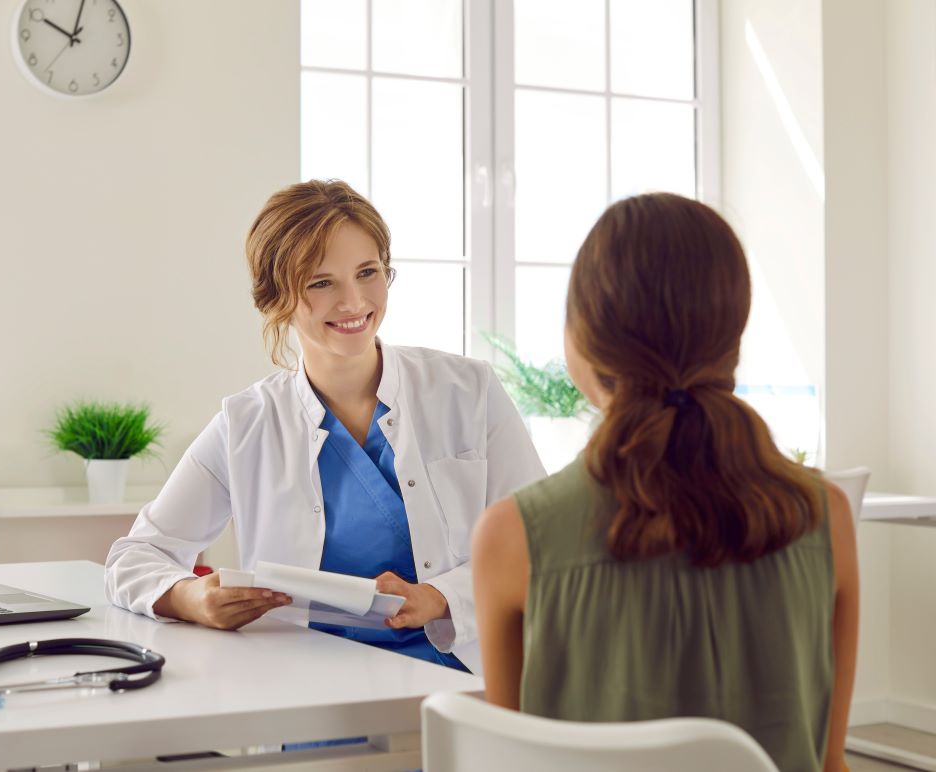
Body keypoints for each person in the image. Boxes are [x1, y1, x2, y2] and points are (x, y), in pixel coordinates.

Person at [472, 193, 858, 772]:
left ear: (581, 337)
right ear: (733, 336)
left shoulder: (511, 536)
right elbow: (830, 763)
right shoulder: (827, 516)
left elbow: (508, 764)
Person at [105, 179, 544, 673]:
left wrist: (442, 597)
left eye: (367, 272)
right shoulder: (246, 423)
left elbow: (544, 541)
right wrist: (190, 598)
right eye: (321, 282)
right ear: (276, 297)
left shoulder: (468, 390)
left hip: (460, 674)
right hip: (306, 680)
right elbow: (134, 557)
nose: (353, 301)